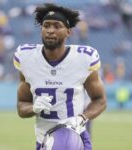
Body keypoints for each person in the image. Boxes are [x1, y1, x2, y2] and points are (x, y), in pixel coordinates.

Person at [13, 3, 107, 150]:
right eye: (46, 25)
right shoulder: (26, 58)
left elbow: (100, 100)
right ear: (41, 29)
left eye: (57, 26)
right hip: (44, 140)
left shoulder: (83, 58)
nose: (50, 30)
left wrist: (82, 118)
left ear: (68, 32)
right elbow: (21, 106)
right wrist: (34, 108)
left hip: (75, 139)